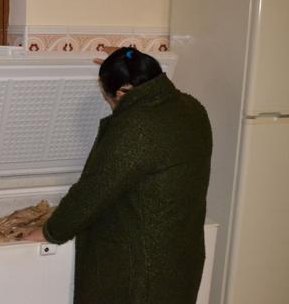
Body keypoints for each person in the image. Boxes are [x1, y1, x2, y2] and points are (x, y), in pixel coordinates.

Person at [27, 47, 213, 304]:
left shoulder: (135, 127)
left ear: (123, 92)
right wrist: (126, 65)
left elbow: (92, 191)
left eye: (110, 97)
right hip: (180, 258)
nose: (111, 104)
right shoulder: (193, 109)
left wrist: (50, 232)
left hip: (139, 270)